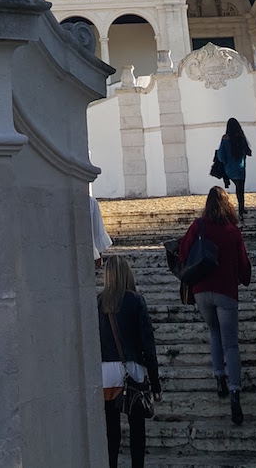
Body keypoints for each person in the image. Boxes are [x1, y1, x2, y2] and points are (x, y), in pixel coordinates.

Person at [179, 186, 251, 426]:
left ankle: (219, 377)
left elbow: (183, 253)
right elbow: (243, 263)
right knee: (231, 343)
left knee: (214, 333)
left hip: (201, 291)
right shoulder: (233, 231)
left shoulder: (198, 227)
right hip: (226, 293)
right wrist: (244, 277)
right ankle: (234, 392)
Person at [98, 254, 161, 468]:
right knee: (137, 428)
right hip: (132, 369)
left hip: (105, 372)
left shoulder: (98, 302)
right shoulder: (135, 301)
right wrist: (155, 382)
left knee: (111, 429)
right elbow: (148, 345)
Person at [217, 117, 252, 221]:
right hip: (240, 168)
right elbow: (248, 152)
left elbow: (221, 155)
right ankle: (241, 209)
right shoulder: (240, 138)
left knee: (236, 185)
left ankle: (226, 180)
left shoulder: (225, 138)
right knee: (240, 189)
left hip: (229, 169)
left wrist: (225, 162)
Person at [91, 192, 113, 266]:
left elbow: (97, 230)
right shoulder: (91, 201)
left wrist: (98, 254)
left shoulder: (91, 201)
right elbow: (97, 229)